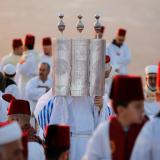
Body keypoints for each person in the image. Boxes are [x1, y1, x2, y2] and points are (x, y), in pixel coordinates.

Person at [83, 75, 147, 160]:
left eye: (143, 106)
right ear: (121, 110)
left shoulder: (147, 129)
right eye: (138, 106)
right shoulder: (104, 131)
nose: (142, 110)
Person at [131, 63, 160, 160]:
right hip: (143, 130)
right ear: (146, 79)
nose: (152, 81)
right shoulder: (139, 94)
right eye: (150, 78)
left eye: (155, 78)